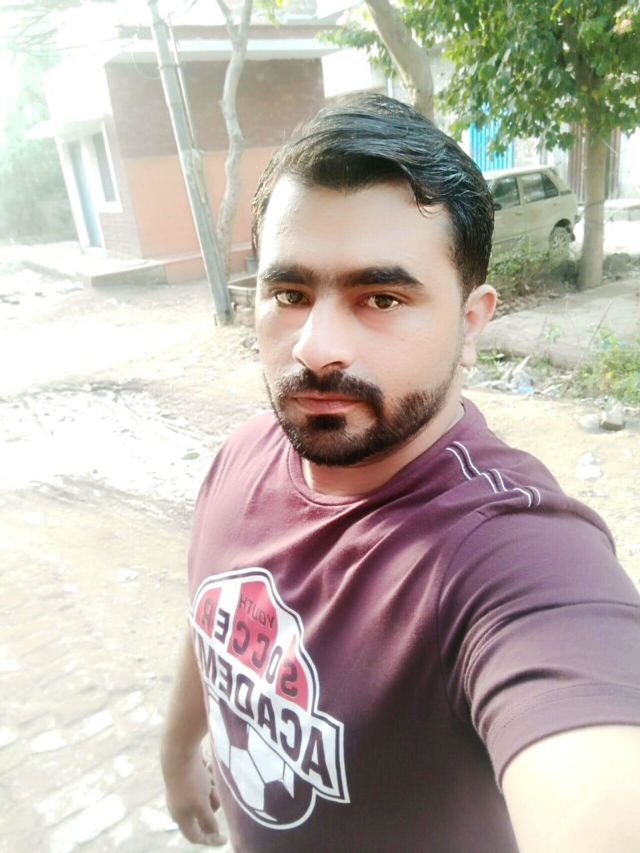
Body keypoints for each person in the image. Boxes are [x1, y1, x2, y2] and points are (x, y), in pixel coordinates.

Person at [160, 94, 640, 852]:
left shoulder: (510, 556)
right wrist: (178, 749)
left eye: (380, 298)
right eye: (289, 294)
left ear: (471, 321)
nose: (316, 347)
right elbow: (213, 620)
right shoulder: (241, 457)